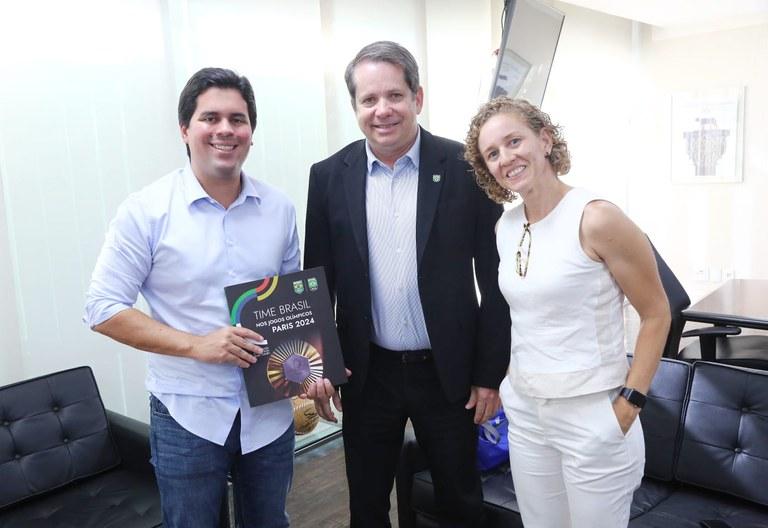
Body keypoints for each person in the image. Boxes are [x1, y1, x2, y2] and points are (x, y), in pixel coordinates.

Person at [303, 41, 510, 527]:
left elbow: (496, 281)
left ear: (418, 97)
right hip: (365, 372)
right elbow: (317, 278)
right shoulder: (329, 176)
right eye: (368, 100)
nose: (382, 111)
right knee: (367, 502)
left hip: (449, 374)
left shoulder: (466, 169)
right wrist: (317, 366)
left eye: (394, 96)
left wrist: (488, 373)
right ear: (354, 107)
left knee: (461, 499)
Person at [83, 67, 300, 528]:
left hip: (269, 412)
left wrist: (310, 371)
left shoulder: (279, 208)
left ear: (251, 132)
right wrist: (197, 344)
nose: (225, 129)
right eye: (210, 118)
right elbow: (102, 307)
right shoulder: (145, 212)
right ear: (186, 129)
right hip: (187, 414)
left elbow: (291, 309)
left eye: (237, 119)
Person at [464, 96, 671, 528]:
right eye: (493, 153)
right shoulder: (506, 227)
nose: (506, 158)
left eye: (514, 141)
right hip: (527, 415)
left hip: (592, 415)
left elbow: (657, 314)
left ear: (545, 139)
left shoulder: (596, 218)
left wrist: (628, 406)